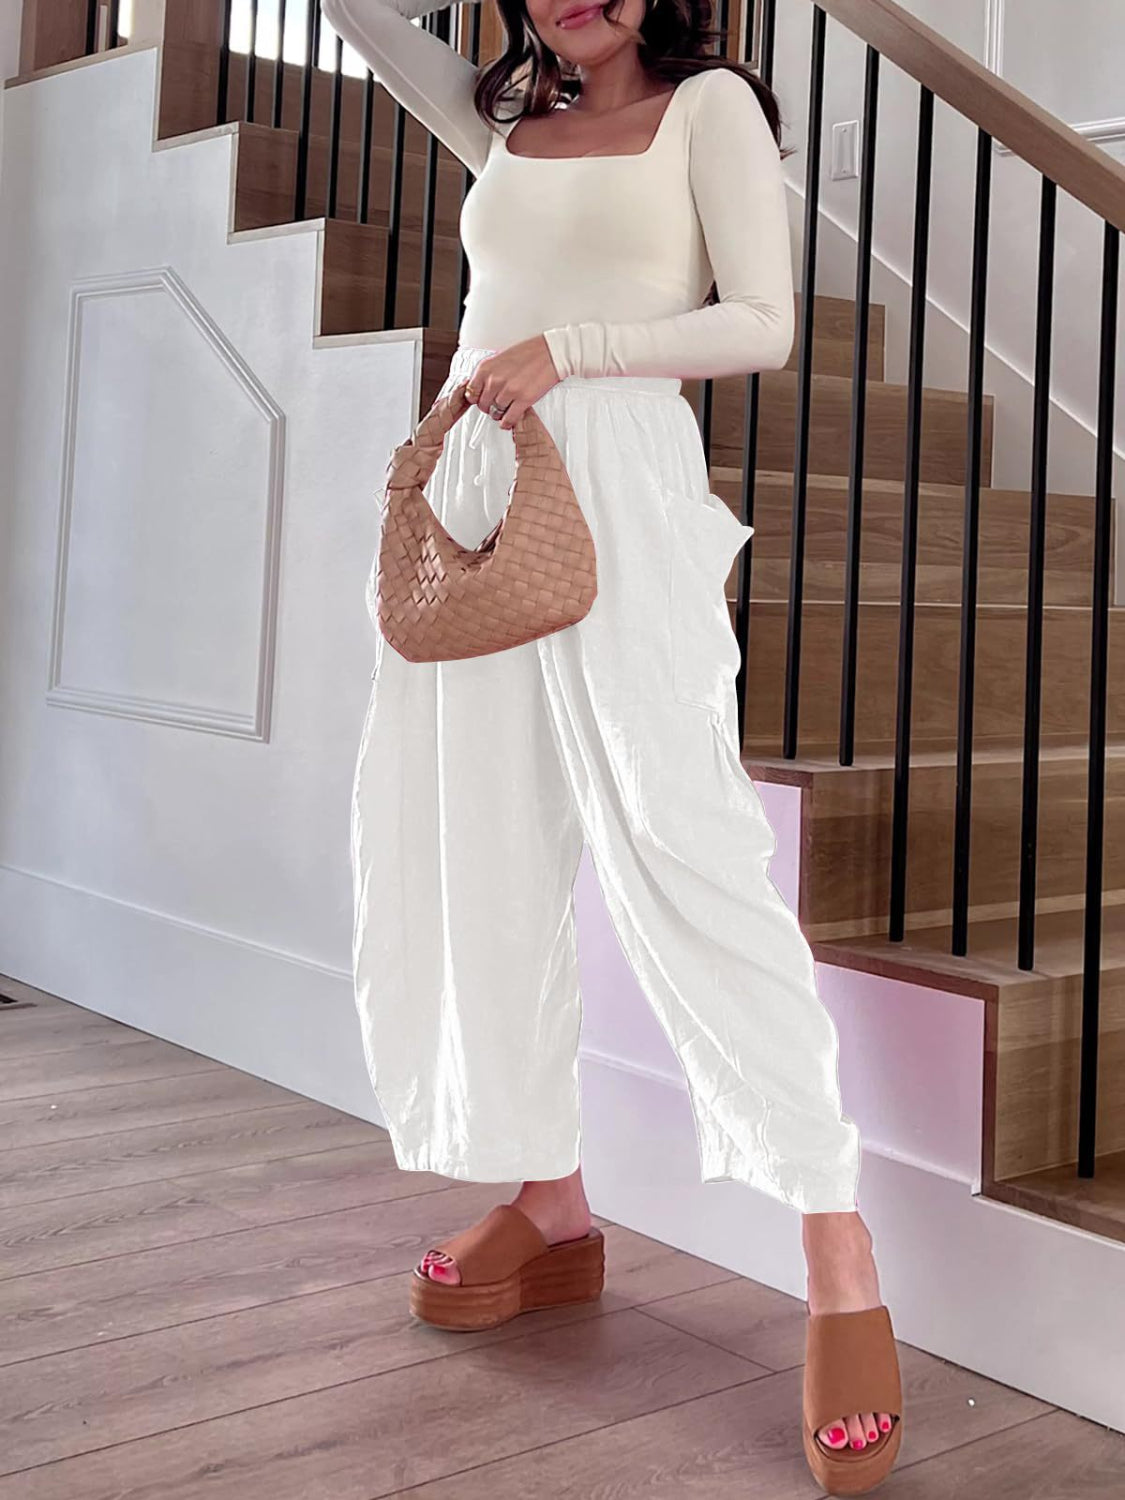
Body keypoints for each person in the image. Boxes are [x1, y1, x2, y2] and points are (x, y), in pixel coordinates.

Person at [325, 0, 903, 1489]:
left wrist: (566, 348)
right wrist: (513, 368)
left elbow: (762, 323)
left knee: (685, 846)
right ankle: (551, 1199)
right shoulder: (503, 118)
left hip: (622, 477)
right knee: (476, 846)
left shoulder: (711, 108)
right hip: (473, 479)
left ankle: (836, 1250)